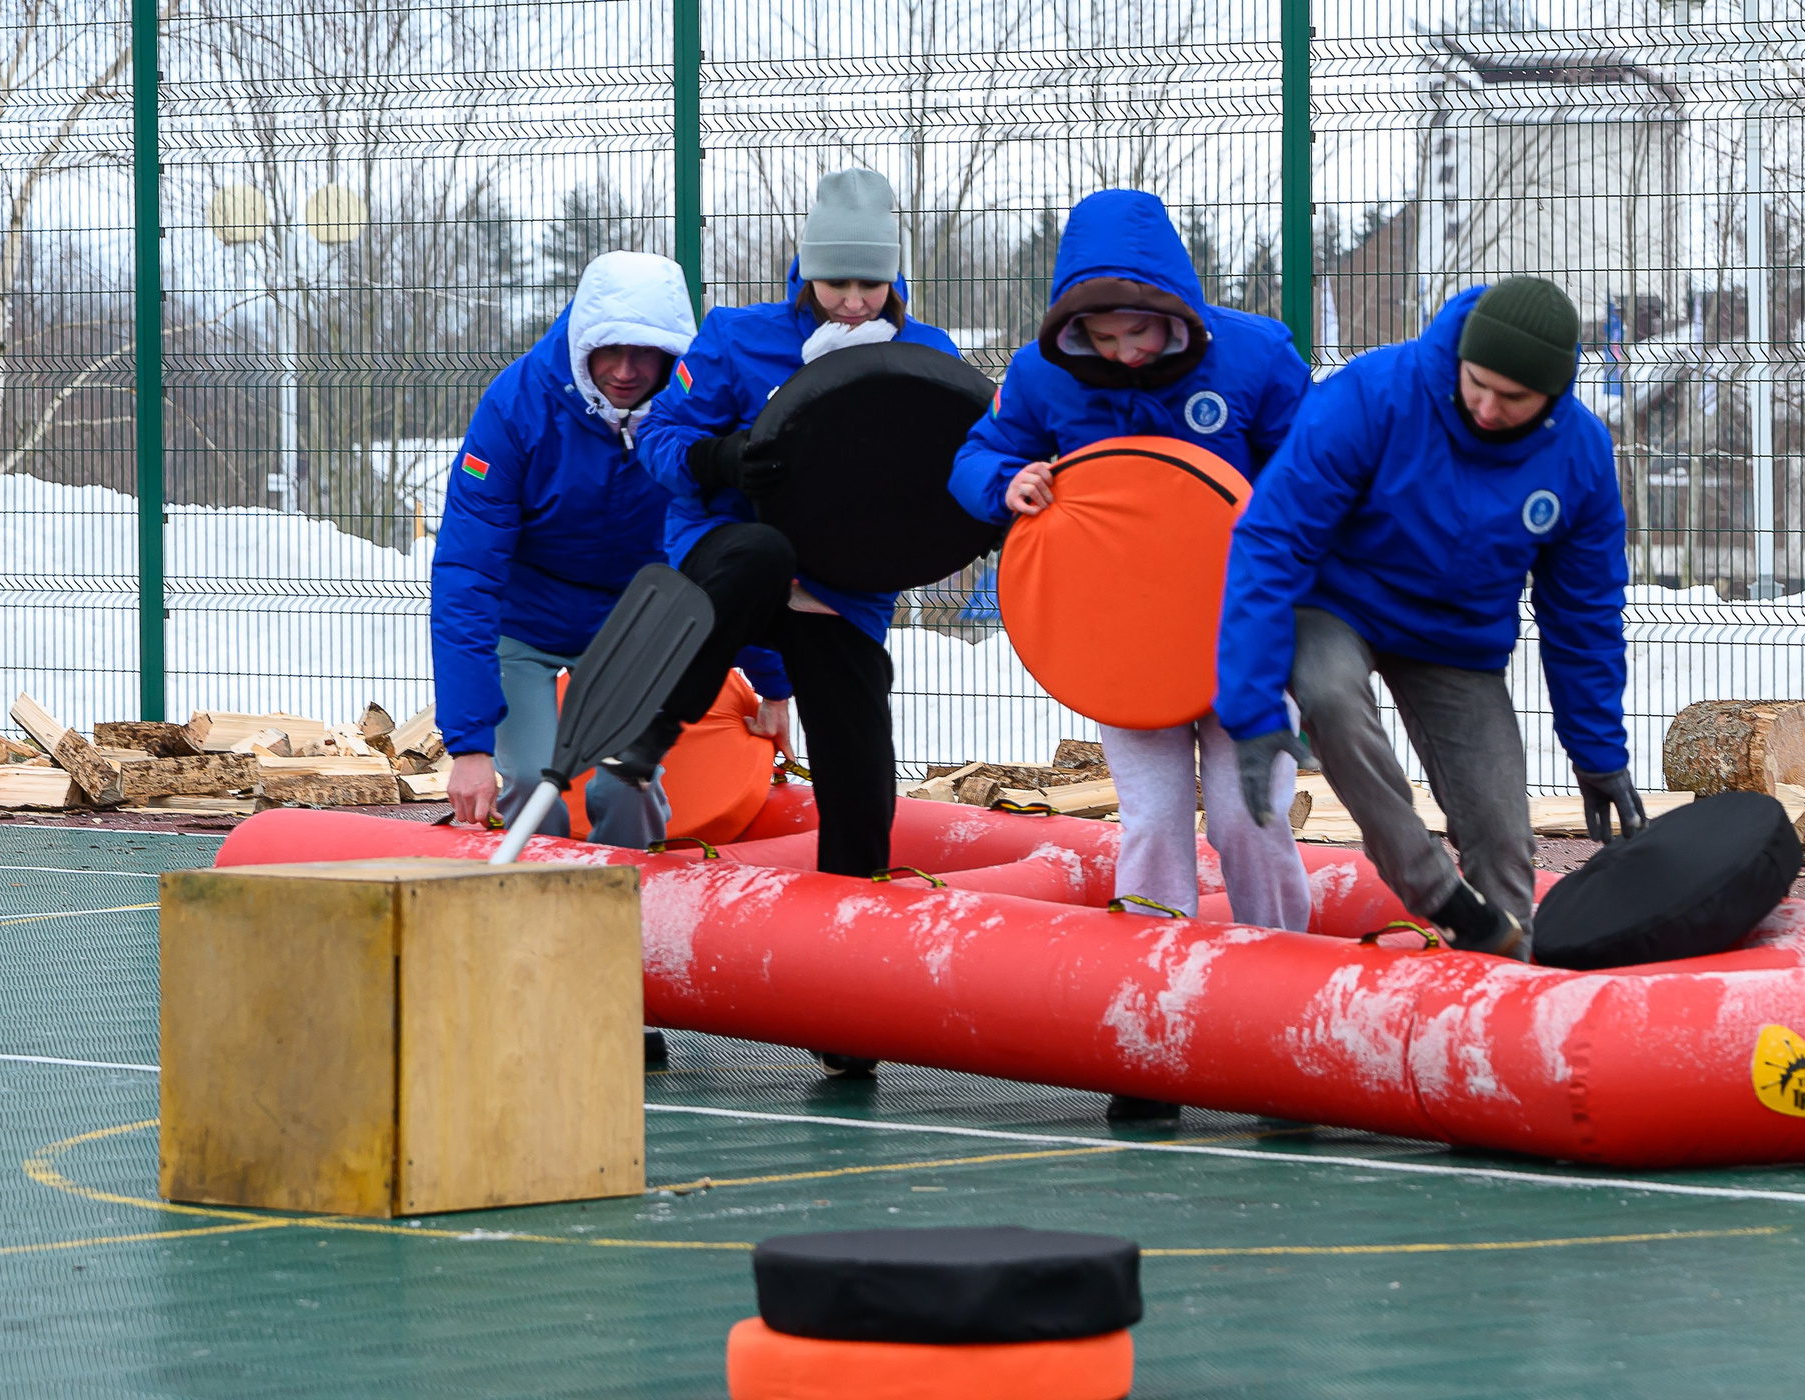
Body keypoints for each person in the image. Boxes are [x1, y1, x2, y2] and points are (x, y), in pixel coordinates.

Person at [632, 168, 965, 1080]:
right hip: (733, 560)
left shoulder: (920, 354)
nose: (854, 303)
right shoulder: (739, 339)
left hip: (842, 591)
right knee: (760, 557)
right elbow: (662, 443)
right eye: (835, 283)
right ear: (804, 272)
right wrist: (723, 453)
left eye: (869, 284)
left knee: (861, 777)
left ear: (895, 278)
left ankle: (842, 993)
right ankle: (648, 732)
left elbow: (961, 469)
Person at [1214, 275, 1644, 959]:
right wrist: (1254, 708)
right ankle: (1436, 893)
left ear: (1554, 394)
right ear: (1462, 357)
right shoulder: (1376, 393)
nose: (1488, 407)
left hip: (1454, 637)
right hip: (1338, 603)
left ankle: (1502, 977)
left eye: (1514, 398)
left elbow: (1584, 613)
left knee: (1503, 831)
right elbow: (1272, 536)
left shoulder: (1579, 456)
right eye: (1478, 383)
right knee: (1330, 695)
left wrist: (1598, 754)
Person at [950, 188, 1314, 948]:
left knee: (1250, 808)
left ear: (1176, 307)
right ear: (1073, 328)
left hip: (1244, 633)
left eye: (1140, 330)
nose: (1126, 351)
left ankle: (1284, 963)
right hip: (1121, 639)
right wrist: (1005, 483)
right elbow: (977, 455)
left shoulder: (1257, 355)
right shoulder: (1041, 374)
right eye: (1105, 337)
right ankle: (1152, 975)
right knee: (1151, 819)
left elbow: (1315, 470)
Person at [430, 250, 791, 849]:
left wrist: (774, 683)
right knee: (528, 778)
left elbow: (732, 553)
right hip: (528, 623)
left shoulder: (697, 418)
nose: (625, 370)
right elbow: (468, 571)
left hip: (637, 623)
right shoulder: (517, 405)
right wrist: (469, 745)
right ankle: (532, 913)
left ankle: (632, 907)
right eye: (609, 350)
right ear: (581, 344)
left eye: (646, 352)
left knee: (628, 780)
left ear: (674, 353)